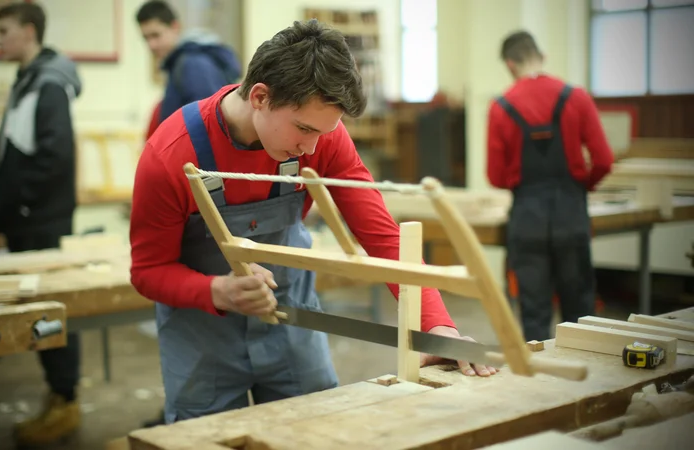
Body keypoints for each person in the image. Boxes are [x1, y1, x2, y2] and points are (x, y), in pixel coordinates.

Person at [130, 19, 498, 425]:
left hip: (292, 323)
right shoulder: (169, 155)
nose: (312, 147)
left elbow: (383, 237)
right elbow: (148, 272)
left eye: (325, 132)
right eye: (304, 129)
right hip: (201, 334)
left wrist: (436, 326)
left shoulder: (321, 138)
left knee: (318, 431)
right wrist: (218, 290)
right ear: (260, 96)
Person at [0, 2, 83, 445]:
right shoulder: (28, 80)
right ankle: (59, 396)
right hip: (28, 219)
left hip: (40, 220)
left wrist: (20, 207)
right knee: (42, 310)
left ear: (28, 32)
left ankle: (66, 401)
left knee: (53, 309)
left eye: (3, 31)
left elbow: (54, 157)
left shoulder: (47, 85)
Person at [486, 31, 614, 342]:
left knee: (534, 312)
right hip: (571, 213)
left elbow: (496, 176)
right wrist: (579, 186)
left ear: (510, 64)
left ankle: (540, 384)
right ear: (541, 56)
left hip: (527, 218)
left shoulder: (501, 107)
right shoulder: (577, 97)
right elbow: (604, 160)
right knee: (581, 310)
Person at [136, 0, 242, 135]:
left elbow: (207, 126)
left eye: (156, 35)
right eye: (146, 38)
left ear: (175, 27)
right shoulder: (179, 64)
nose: (151, 45)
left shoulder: (193, 64)